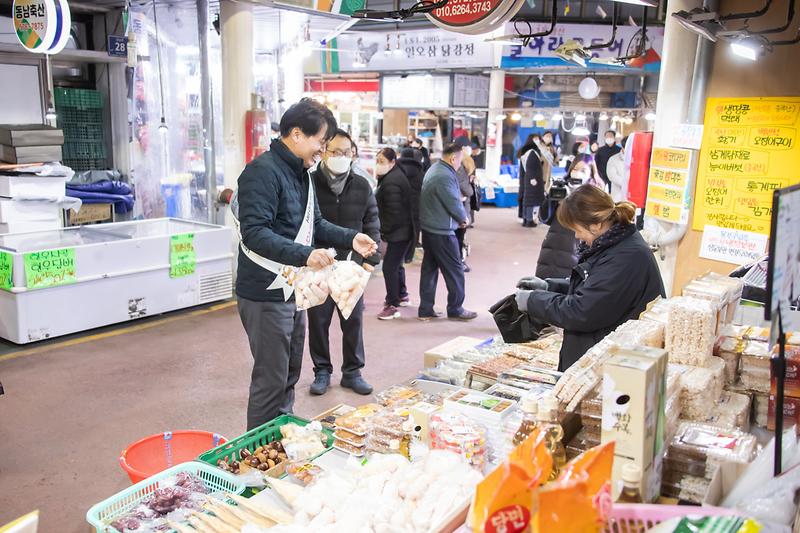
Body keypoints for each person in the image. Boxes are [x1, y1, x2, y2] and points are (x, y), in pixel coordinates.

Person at [235, 98, 377, 429]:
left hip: (293, 289)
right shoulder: (262, 173)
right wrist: (306, 255)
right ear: (297, 135)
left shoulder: (302, 174)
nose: (323, 150)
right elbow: (255, 233)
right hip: (265, 292)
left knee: (288, 374)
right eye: (321, 142)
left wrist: (350, 238)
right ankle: (257, 453)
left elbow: (316, 225)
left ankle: (280, 437)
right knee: (270, 379)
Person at [516, 184, 665, 371]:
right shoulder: (614, 244)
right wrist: (549, 286)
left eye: (577, 229)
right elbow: (594, 286)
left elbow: (582, 311)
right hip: (605, 355)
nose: (577, 236)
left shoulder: (625, 256)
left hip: (613, 366)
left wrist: (533, 301)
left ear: (596, 225)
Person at [306, 129, 381, 397]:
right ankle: (322, 371)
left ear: (353, 154)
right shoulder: (310, 182)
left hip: (352, 266)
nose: (341, 157)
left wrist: (371, 260)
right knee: (318, 321)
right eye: (335, 151)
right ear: (324, 152)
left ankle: (352, 372)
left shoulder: (361, 185)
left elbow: (372, 221)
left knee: (353, 321)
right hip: (319, 264)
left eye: (346, 152)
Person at [418, 143, 478, 322]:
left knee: (429, 269)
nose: (460, 164)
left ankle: (426, 308)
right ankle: (456, 308)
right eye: (460, 160)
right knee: (455, 270)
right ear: (453, 158)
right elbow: (452, 201)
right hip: (442, 231)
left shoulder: (435, 168)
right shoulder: (444, 175)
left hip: (430, 228)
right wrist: (463, 218)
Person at [535, 155, 602, 279]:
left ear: (591, 173)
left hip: (576, 247)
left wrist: (573, 201)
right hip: (553, 245)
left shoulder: (595, 195)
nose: (577, 174)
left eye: (583, 170)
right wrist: (551, 198)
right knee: (544, 284)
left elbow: (594, 226)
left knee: (566, 287)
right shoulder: (561, 188)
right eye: (575, 169)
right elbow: (544, 218)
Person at [375, 148, 415, 320]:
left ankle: (392, 304)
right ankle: (402, 295)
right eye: (377, 160)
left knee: (389, 266)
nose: (378, 165)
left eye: (382, 161)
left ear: (392, 162)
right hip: (403, 230)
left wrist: (384, 231)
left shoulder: (391, 182)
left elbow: (393, 212)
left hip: (399, 231)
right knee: (396, 264)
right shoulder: (395, 176)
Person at [397, 147, 424, 263]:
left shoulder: (397, 170)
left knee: (399, 230)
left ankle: (399, 255)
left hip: (399, 205)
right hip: (416, 206)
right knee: (414, 231)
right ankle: (409, 255)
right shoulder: (420, 172)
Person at [454, 136, 476, 272]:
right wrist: (471, 187)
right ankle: (458, 262)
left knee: (458, 235)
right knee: (459, 236)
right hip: (460, 204)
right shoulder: (461, 165)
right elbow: (466, 189)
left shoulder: (457, 163)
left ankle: (458, 261)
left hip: (459, 203)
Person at [518, 135, 545, 228]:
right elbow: (532, 168)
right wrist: (533, 180)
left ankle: (527, 219)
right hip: (533, 182)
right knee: (532, 201)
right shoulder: (533, 153)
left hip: (528, 181)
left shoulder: (527, 152)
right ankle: (529, 220)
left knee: (528, 200)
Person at [607, 135, 628, 203]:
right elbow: (612, 176)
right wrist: (627, 184)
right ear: (622, 147)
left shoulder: (638, 159)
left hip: (633, 196)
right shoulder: (613, 159)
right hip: (618, 196)